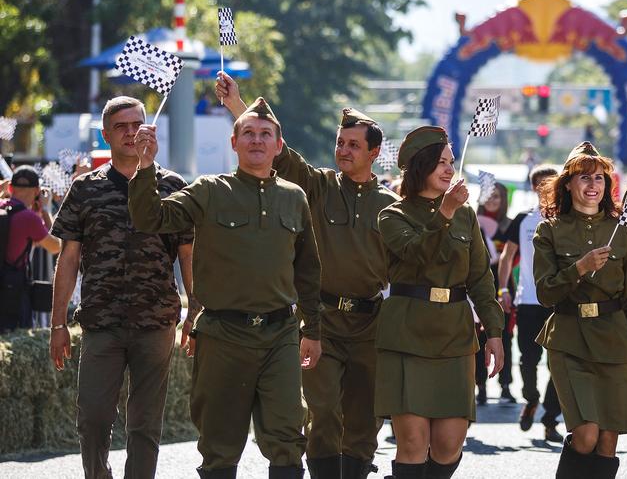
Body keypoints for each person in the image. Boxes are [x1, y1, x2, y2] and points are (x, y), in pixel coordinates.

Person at [127, 97, 323, 479]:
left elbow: (308, 270)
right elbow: (151, 218)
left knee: (287, 435)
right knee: (219, 442)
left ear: (278, 146)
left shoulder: (294, 197)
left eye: (266, 134)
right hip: (223, 334)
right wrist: (145, 167)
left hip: (280, 334)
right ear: (233, 143)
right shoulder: (209, 190)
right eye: (247, 133)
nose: (256, 140)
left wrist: (312, 330)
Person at [216, 72, 399, 478]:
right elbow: (281, 152)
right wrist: (237, 103)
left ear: (374, 152)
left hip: (372, 324)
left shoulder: (390, 204)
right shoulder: (317, 186)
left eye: (353, 145)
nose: (343, 150)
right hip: (323, 320)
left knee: (366, 416)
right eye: (340, 142)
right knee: (323, 410)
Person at [48, 96, 194, 478]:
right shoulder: (85, 189)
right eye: (121, 127)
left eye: (137, 125)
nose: (131, 133)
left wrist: (195, 310)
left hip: (156, 321)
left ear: (149, 129)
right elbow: (68, 259)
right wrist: (58, 323)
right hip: (101, 322)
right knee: (92, 419)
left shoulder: (173, 185)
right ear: (106, 134)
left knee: (145, 425)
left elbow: (188, 255)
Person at [375, 126, 505, 478]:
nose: (449, 169)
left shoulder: (466, 215)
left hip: (454, 336)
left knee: (449, 445)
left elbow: (480, 278)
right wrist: (444, 212)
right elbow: (418, 254)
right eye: (440, 163)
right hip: (407, 335)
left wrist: (495, 331)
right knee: (413, 444)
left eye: (451, 161)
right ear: (420, 167)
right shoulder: (393, 214)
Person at [533, 142, 627, 478]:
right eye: (584, 177)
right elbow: (545, 293)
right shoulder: (550, 230)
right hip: (570, 339)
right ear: (568, 184)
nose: (593, 184)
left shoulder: (623, 230)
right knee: (586, 434)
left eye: (600, 178)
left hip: (614, 338)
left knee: (607, 438)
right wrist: (579, 268)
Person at [497, 164, 564, 442]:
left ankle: (550, 418)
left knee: (558, 363)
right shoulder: (523, 219)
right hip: (528, 300)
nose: (546, 188)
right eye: (540, 184)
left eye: (551, 183)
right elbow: (505, 257)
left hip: (559, 301)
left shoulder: (566, 219)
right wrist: (502, 289)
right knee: (528, 358)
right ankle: (531, 399)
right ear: (535, 187)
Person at [1, 166, 60, 331]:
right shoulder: (29, 219)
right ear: (36, 191)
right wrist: (47, 211)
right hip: (14, 290)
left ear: (11, 188)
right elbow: (56, 246)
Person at [476, 182, 515, 404]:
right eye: (488, 196)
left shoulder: (510, 225)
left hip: (503, 285)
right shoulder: (471, 221)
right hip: (478, 285)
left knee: (505, 336)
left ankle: (506, 384)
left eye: (497, 196)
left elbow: (515, 257)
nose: (492, 200)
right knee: (480, 337)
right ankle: (480, 385)